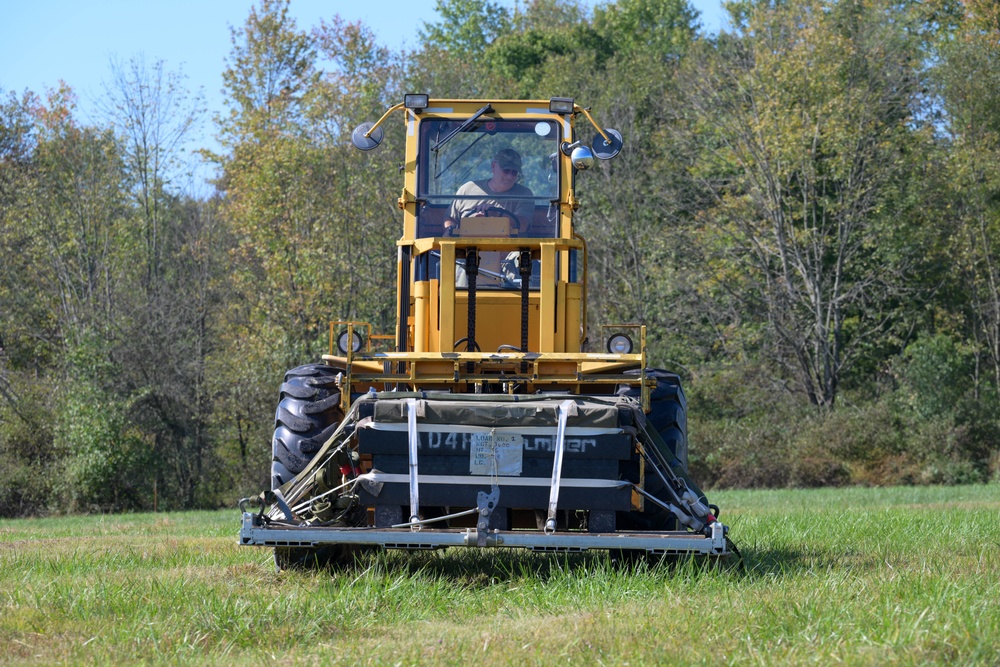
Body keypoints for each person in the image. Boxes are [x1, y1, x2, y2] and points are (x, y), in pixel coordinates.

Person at [443, 147, 534, 236]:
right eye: (506, 170)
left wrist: (497, 214)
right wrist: (450, 230)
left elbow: (523, 225)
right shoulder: (467, 189)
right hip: (465, 248)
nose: (510, 176)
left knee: (517, 253)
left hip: (509, 249)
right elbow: (450, 218)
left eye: (514, 172)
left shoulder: (523, 194)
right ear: (493, 166)